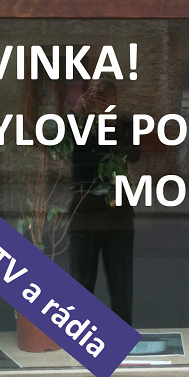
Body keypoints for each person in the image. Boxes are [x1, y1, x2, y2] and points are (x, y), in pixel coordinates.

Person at [68, 78, 139, 325]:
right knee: (81, 286)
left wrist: (110, 121)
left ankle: (122, 337)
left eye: (106, 97)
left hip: (118, 214)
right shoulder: (78, 125)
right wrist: (79, 113)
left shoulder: (124, 123)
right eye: (96, 97)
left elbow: (134, 154)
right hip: (84, 212)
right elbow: (64, 148)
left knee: (121, 288)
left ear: (115, 100)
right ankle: (81, 336)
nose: (101, 102)